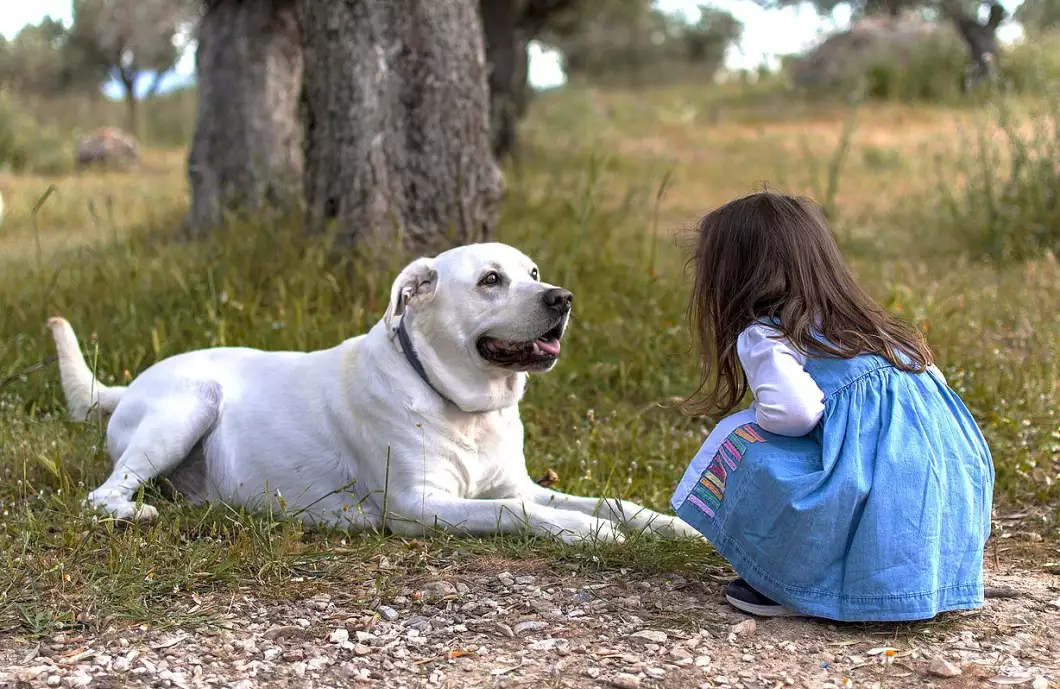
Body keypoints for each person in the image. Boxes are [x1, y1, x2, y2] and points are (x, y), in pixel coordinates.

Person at [670, 192, 994, 622]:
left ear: (733, 277)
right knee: (873, 464)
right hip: (948, 494)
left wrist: (759, 420)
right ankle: (916, 580)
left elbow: (795, 412)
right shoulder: (878, 331)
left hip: (878, 491)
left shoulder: (768, 334)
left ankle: (792, 583)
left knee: (741, 439)